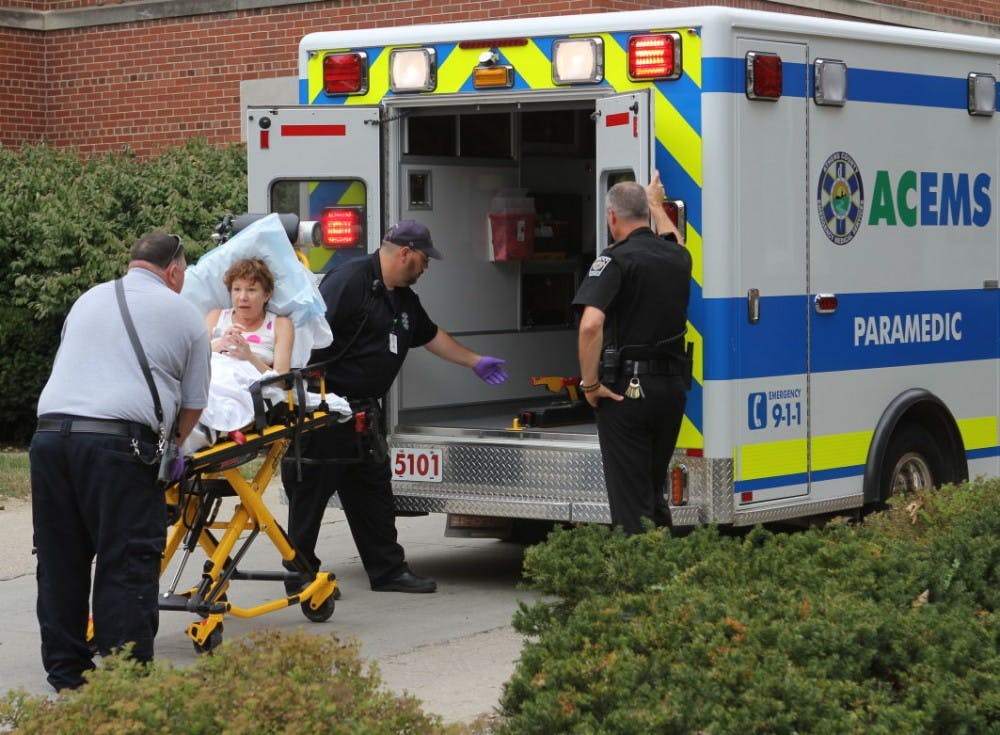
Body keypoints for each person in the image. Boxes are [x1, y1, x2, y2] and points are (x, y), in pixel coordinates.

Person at [281, 220, 509, 594]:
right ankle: (300, 574)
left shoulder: (402, 299)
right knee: (310, 496)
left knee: (373, 495)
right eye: (424, 258)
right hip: (326, 410)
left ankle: (387, 571)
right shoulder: (350, 281)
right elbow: (307, 331)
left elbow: (430, 335)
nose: (427, 266)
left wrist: (475, 361)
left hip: (362, 414)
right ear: (405, 253)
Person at [30, 232, 211, 692]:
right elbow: (193, 404)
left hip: (49, 439)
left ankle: (68, 676)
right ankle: (126, 683)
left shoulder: (88, 299)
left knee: (59, 562)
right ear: (173, 270)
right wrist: (170, 447)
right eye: (184, 273)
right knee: (126, 559)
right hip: (117, 447)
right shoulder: (185, 314)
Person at [572, 172, 692, 535]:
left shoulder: (614, 261)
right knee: (652, 493)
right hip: (670, 390)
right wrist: (657, 205)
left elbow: (591, 325)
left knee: (630, 502)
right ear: (645, 212)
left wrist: (590, 384)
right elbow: (678, 239)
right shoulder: (677, 257)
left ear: (611, 217)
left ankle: (636, 580)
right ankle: (662, 577)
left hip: (627, 392)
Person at [206, 258, 294, 376]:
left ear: (266, 295)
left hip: (250, 389)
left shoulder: (280, 325)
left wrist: (249, 357)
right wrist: (221, 343)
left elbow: (281, 380)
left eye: (251, 290)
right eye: (237, 289)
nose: (243, 297)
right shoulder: (216, 317)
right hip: (213, 382)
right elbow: (192, 358)